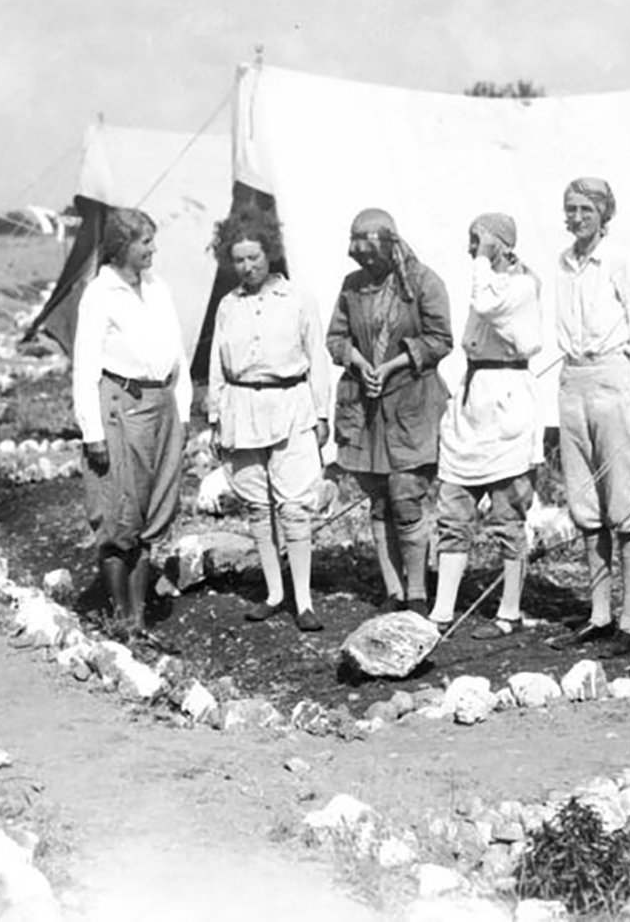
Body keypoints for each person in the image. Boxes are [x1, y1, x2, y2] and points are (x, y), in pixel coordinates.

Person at [206, 205, 331, 632]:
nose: (247, 267)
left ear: (270, 255)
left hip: (291, 406)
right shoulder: (228, 306)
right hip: (243, 411)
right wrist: (215, 417)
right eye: (239, 260)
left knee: (294, 507)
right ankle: (274, 593)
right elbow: (217, 366)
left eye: (254, 258)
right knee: (259, 508)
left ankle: (303, 600)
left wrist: (321, 414)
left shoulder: (297, 299)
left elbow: (318, 359)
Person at [71, 206, 191, 639]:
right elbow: (85, 366)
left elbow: (177, 350)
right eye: (145, 242)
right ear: (122, 247)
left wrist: (183, 410)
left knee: (153, 509)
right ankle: (121, 618)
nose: (153, 249)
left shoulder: (158, 288)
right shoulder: (100, 294)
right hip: (121, 406)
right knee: (120, 513)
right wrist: (93, 432)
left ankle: (138, 619)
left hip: (161, 404)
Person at [550, 178, 630, 658]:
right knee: (586, 504)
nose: (576, 218)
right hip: (573, 381)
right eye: (570, 209)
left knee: (626, 502)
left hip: (615, 380)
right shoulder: (563, 262)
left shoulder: (620, 259)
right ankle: (599, 615)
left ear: (603, 214)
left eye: (585, 210)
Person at [326, 208, 453, 615]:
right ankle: (392, 588)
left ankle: (417, 590)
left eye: (372, 257)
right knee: (379, 500)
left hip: (410, 403)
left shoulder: (423, 283)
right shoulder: (352, 286)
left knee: (406, 495)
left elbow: (440, 339)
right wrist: (360, 364)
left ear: (390, 245)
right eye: (360, 258)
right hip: (365, 409)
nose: (366, 264)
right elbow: (336, 338)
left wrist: (394, 364)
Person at [427, 212, 543, 637]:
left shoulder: (522, 285)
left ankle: (509, 612)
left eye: (477, 241)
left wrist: (485, 257)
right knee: (454, 507)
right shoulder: (489, 281)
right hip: (473, 402)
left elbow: (487, 304)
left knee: (507, 512)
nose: (470, 249)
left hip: (507, 401)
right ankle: (442, 610)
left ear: (499, 243)